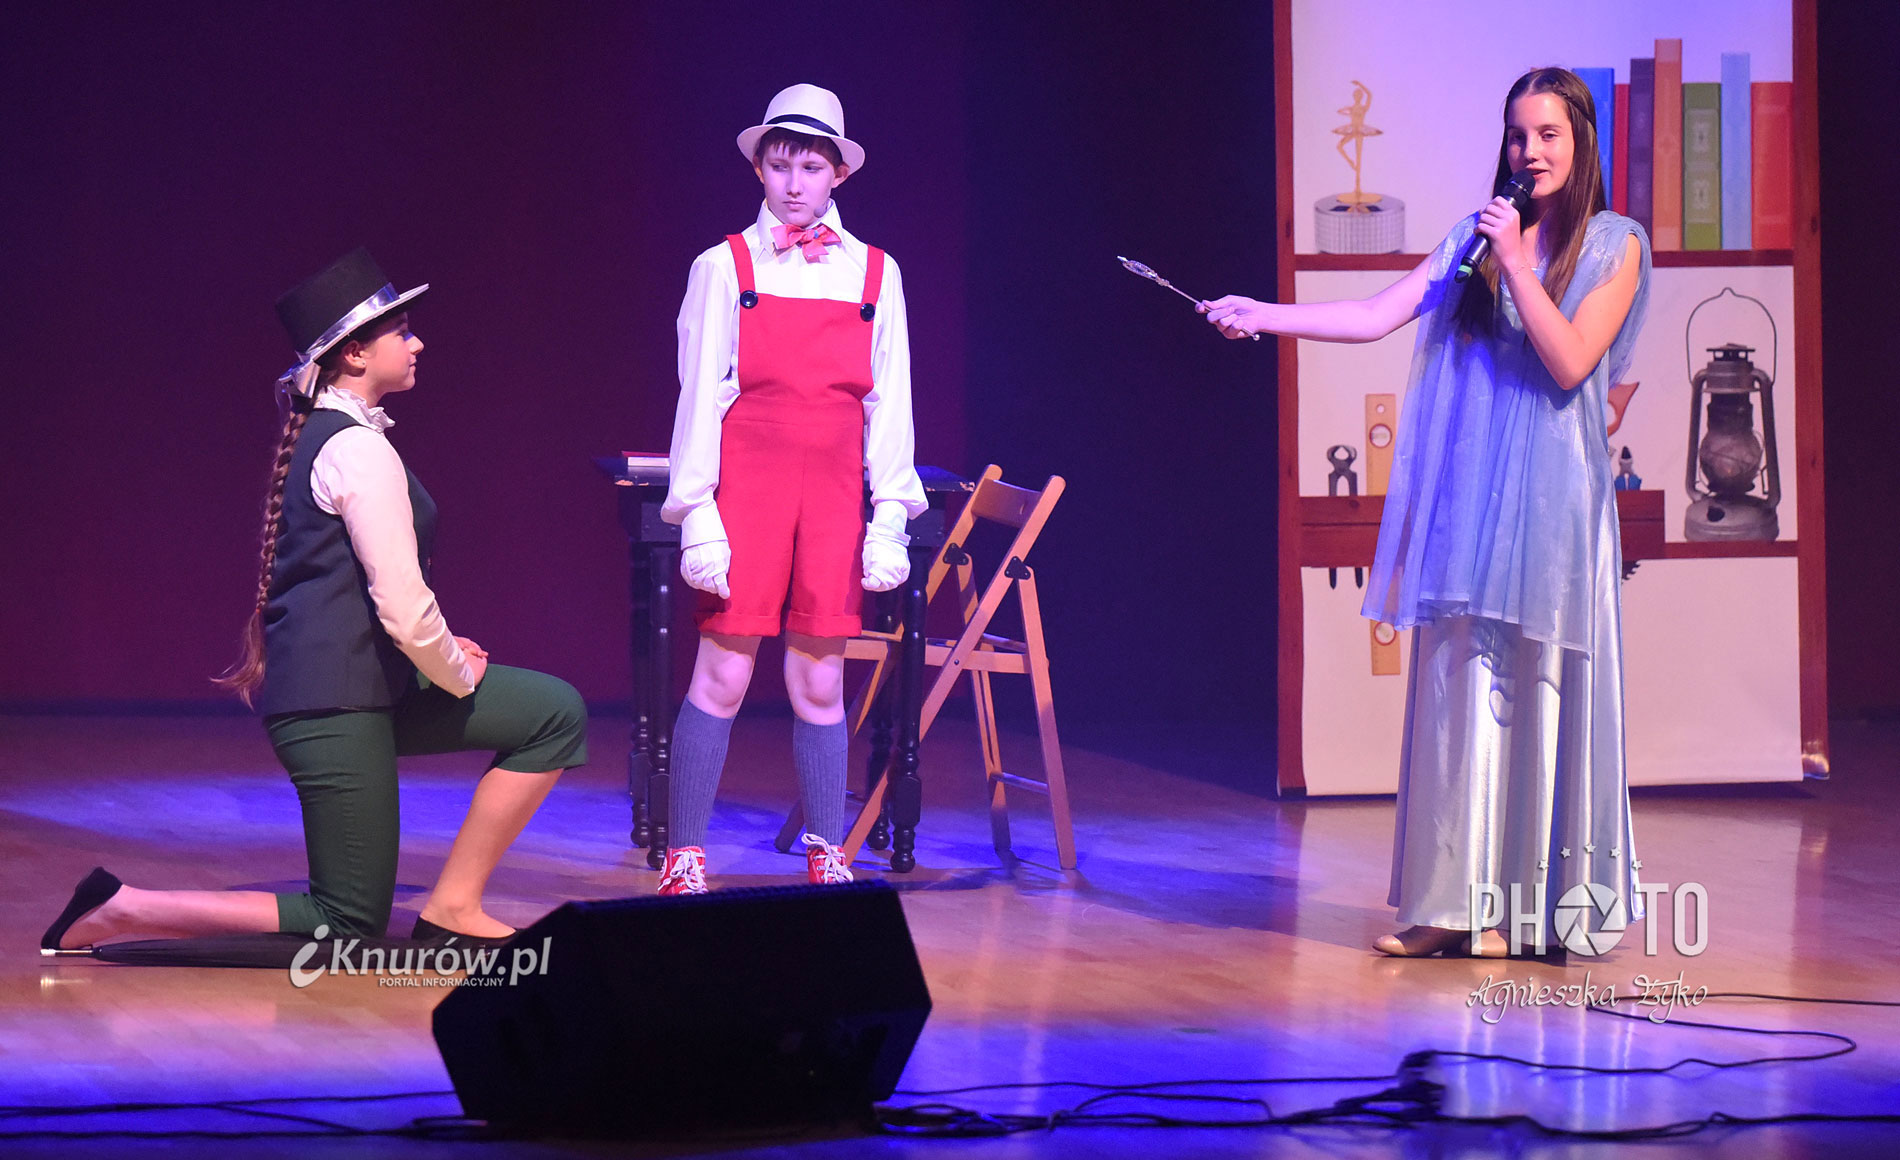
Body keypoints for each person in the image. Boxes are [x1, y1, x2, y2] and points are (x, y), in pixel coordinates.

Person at [1202, 68, 1650, 957]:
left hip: (1555, 511)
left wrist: (1516, 262)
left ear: (1582, 142)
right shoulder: (1473, 239)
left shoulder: (1614, 244)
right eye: (1519, 134)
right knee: (1459, 692)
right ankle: (1450, 907)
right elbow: (1378, 314)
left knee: (1540, 696)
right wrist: (1263, 314)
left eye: (1549, 134)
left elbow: (1570, 362)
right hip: (1471, 501)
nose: (1530, 152)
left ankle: (1532, 913)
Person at [41, 249, 586, 952]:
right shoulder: (355, 449)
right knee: (347, 921)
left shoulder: (349, 437)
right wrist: (456, 671)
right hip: (333, 706)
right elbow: (402, 603)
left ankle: (453, 905)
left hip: (374, 687)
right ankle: (123, 909)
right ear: (354, 353)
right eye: (401, 332)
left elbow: (377, 599)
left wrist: (446, 657)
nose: (417, 343)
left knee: (552, 712)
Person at [657, 83, 926, 895]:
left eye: (812, 167)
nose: (795, 183)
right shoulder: (724, 266)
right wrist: (697, 513)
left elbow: (890, 401)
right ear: (760, 170)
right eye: (781, 166)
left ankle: (825, 850)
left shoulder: (875, 271)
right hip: (750, 490)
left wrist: (890, 515)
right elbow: (699, 397)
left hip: (834, 494)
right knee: (724, 673)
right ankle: (684, 854)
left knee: (819, 679)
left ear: (839, 173)